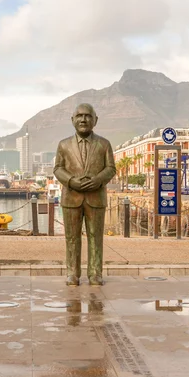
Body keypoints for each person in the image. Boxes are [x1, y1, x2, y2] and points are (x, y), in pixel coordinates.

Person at [54, 103, 116, 286]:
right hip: (71, 197)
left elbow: (111, 168)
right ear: (72, 120)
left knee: (95, 237)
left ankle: (95, 273)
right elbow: (58, 168)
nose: (83, 119)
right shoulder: (63, 145)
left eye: (88, 116)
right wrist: (71, 181)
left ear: (95, 120)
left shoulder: (104, 144)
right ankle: (72, 273)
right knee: (71, 238)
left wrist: (98, 180)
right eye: (79, 116)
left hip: (96, 197)